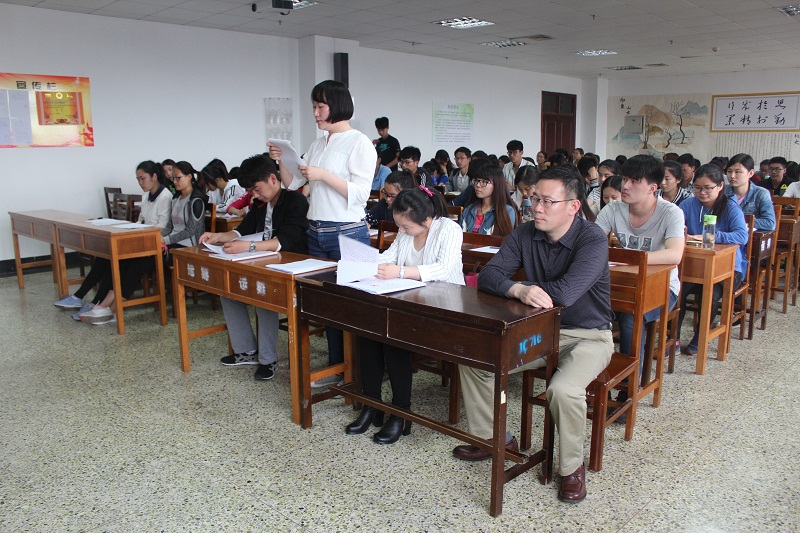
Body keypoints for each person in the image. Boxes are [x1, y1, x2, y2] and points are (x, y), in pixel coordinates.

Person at [455, 165, 614, 504]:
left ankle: (571, 468)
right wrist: (518, 289)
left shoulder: (592, 239)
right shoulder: (526, 233)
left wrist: (523, 287)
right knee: (475, 359)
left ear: (573, 206)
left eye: (547, 201)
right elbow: (489, 276)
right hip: (538, 332)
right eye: (534, 199)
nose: (536, 207)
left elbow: (566, 293)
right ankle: (495, 439)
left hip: (588, 335)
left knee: (563, 390)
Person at [268, 80, 373, 388]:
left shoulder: (359, 142)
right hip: (317, 232)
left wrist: (323, 175)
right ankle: (337, 367)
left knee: (355, 307)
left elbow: (361, 194)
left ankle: (361, 373)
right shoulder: (317, 144)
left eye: (320, 107)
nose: (315, 113)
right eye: (313, 107)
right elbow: (293, 184)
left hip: (348, 232)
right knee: (328, 308)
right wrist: (281, 160)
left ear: (337, 106)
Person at [346, 186, 464, 444]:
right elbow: (390, 256)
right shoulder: (405, 229)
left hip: (444, 306)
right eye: (399, 225)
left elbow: (443, 269)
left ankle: (401, 412)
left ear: (427, 220)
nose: (401, 230)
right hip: (410, 300)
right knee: (368, 332)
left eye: (406, 226)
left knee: (393, 337)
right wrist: (362, 264)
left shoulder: (449, 229)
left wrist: (399, 272)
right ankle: (372, 404)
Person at [198, 155, 309, 381]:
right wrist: (217, 236)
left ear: (272, 179)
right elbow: (242, 230)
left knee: (263, 295)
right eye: (251, 191)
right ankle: (246, 350)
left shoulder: (294, 201)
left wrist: (248, 246)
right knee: (227, 291)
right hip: (263, 263)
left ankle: (268, 360)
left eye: (256, 189)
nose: (254, 195)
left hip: (292, 266)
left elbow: (285, 241)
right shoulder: (260, 204)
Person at [79, 161, 206, 324]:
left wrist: (164, 239)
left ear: (189, 177)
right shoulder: (176, 198)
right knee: (126, 260)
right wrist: (159, 238)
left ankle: (112, 309)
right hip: (170, 243)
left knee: (138, 263)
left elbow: (191, 231)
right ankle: (106, 307)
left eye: (178, 178)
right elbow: (169, 226)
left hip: (187, 247)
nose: (174, 182)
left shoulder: (196, 200)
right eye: (173, 178)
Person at [596, 155, 684, 380]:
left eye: (634, 181)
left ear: (652, 188)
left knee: (630, 317)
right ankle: (594, 378)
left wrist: (630, 259)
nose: (625, 186)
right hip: (622, 283)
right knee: (583, 307)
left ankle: (630, 385)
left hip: (662, 287)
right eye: (625, 179)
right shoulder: (613, 209)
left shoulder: (670, 212)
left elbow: (674, 255)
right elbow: (592, 245)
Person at [54, 161, 172, 320]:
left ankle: (98, 303)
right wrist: (129, 229)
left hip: (153, 244)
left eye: (143, 178)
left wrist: (137, 232)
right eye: (138, 179)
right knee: (105, 256)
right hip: (140, 240)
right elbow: (140, 221)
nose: (140, 182)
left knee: (118, 260)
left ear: (154, 176)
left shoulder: (165, 196)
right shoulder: (146, 196)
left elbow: (161, 228)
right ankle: (81, 297)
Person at [678, 164, 748, 356]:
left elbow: (742, 236)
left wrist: (710, 236)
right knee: (677, 292)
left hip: (728, 267)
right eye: (697, 188)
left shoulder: (730, 208)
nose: (702, 193)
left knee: (710, 294)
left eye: (708, 188)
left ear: (720, 186)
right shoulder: (687, 205)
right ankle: (673, 337)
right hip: (694, 265)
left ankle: (700, 337)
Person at [461, 164, 519, 236]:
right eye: (477, 181)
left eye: (484, 182)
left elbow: (506, 240)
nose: (478, 185)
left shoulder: (507, 211)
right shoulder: (468, 209)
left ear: (496, 184)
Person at [725, 153, 776, 231]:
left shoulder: (761, 193)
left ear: (751, 173)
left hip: (751, 236)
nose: (732, 176)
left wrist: (742, 223)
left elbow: (770, 223)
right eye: (729, 171)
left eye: (737, 172)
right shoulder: (722, 191)